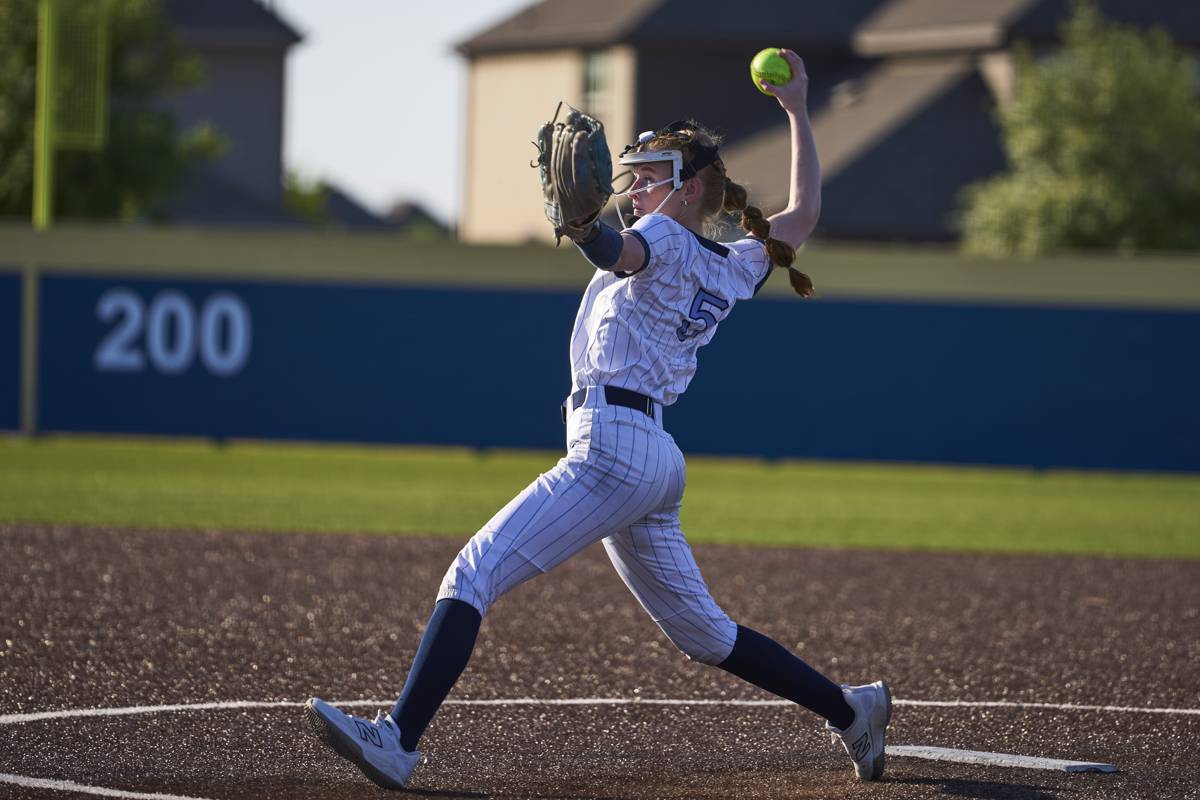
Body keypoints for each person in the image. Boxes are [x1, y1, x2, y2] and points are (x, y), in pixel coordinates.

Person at [305, 48, 891, 789]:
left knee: (473, 570)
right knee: (707, 635)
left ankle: (397, 739)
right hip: (651, 457)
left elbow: (616, 250)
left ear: (689, 189)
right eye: (637, 175)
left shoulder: (672, 238)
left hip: (612, 447)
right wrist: (798, 112)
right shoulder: (731, 262)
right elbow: (801, 216)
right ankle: (850, 709)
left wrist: (583, 230)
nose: (637, 185)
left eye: (652, 176)